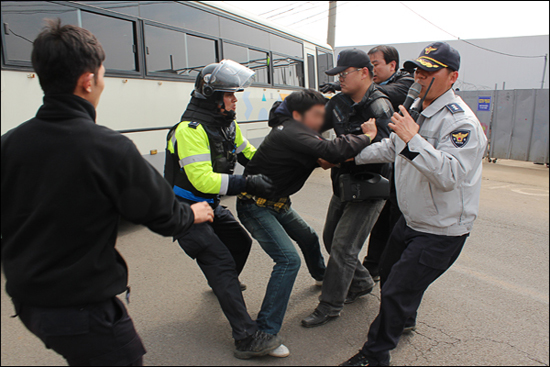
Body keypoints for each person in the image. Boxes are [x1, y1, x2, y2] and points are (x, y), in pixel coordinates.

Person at [1, 19, 214, 366]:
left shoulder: (9, 143)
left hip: (28, 303)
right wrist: (193, 213)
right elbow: (163, 216)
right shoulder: (108, 148)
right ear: (88, 81)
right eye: (103, 74)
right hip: (80, 309)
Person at [340, 42, 488, 366]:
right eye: (419, 69)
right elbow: (391, 149)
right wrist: (351, 155)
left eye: (430, 71)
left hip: (441, 230)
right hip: (409, 221)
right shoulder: (418, 110)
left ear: (452, 77)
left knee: (395, 292)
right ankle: (404, 318)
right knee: (391, 278)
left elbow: (449, 175)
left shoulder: (461, 123)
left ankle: (374, 355)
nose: (421, 77)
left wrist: (413, 139)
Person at [236, 89, 378, 357]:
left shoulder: (296, 131)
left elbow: (324, 158)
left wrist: (332, 156)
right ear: (298, 115)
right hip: (255, 207)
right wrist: (368, 136)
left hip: (278, 204)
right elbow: (330, 151)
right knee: (288, 261)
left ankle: (323, 276)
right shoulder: (291, 130)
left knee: (309, 237)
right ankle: (263, 333)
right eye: (316, 115)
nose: (321, 120)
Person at [164, 59, 282, 359]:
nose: (234, 100)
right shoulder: (189, 130)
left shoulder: (227, 126)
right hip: (185, 210)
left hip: (209, 206)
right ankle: (246, 338)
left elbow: (250, 155)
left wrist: (280, 166)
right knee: (221, 262)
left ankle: (222, 285)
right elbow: (202, 180)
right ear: (213, 97)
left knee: (239, 243)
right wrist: (249, 183)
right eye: (229, 95)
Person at [302, 48, 394, 328]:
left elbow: (389, 149)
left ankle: (330, 306)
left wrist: (341, 154)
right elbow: (315, 127)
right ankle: (362, 282)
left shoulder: (380, 106)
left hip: (369, 187)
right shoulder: (339, 102)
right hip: (342, 182)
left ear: (364, 73)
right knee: (331, 239)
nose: (340, 79)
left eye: (344, 74)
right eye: (338, 75)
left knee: (343, 247)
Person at [362, 45, 414, 281]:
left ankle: (393, 271)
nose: (371, 69)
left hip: (405, 164)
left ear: (392, 65)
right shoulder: (380, 87)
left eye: (375, 64)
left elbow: (381, 93)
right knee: (381, 219)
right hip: (387, 158)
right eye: (368, 64)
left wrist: (359, 84)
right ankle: (373, 266)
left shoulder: (406, 83)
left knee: (396, 220)